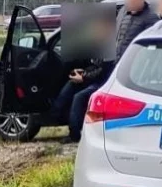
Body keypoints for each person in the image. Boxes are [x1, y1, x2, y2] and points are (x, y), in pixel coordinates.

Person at [49, 12, 117, 142]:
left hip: (102, 83)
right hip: (91, 78)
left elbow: (103, 72)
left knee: (78, 97)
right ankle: (54, 115)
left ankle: (74, 134)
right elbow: (92, 65)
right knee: (69, 86)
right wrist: (82, 71)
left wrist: (84, 77)